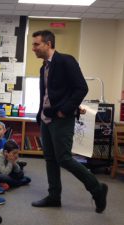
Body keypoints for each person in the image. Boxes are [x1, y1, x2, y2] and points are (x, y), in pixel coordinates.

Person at [30, 30, 108, 213]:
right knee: (50, 158)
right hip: (46, 119)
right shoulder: (44, 67)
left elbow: (81, 88)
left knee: (63, 158)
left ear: (48, 44)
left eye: (36, 44)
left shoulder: (66, 60)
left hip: (61, 119)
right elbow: (46, 94)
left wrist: (64, 111)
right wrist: (40, 113)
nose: (33, 48)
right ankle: (54, 196)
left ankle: (97, 189)